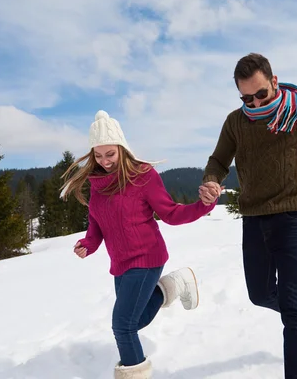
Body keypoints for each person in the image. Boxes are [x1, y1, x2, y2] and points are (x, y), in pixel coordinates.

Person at [198, 53, 297, 379]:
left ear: (274, 81)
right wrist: (211, 180)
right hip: (254, 217)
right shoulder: (236, 122)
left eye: (260, 94)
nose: (255, 104)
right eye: (246, 98)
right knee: (259, 294)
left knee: (293, 312)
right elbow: (218, 160)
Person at [60, 110, 218, 379]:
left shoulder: (143, 175)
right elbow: (97, 222)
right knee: (138, 319)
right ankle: (175, 284)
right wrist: (89, 243)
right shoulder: (97, 183)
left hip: (147, 257)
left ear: (122, 148)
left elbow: (170, 213)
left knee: (123, 325)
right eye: (98, 155)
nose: (105, 161)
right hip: (120, 263)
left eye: (110, 154)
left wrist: (203, 206)